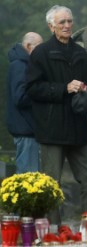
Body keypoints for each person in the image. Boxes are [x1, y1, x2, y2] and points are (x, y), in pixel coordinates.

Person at [25, 5, 87, 224]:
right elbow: (32, 89)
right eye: (62, 22)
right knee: (51, 185)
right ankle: (51, 232)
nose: (67, 25)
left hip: (78, 128)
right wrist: (63, 88)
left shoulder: (80, 53)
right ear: (51, 26)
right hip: (52, 129)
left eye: (69, 21)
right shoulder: (41, 53)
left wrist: (86, 92)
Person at [6, 32, 43, 173]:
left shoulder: (22, 64)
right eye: (39, 47)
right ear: (28, 46)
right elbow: (20, 97)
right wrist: (40, 93)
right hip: (25, 129)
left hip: (27, 129)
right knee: (29, 177)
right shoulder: (20, 66)